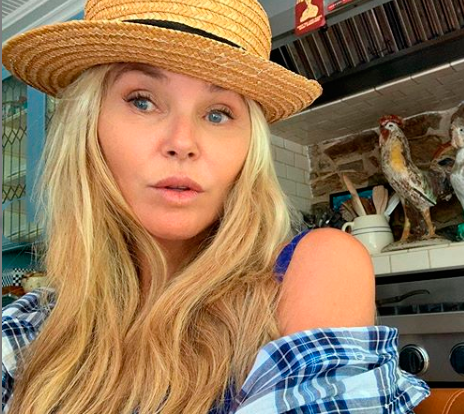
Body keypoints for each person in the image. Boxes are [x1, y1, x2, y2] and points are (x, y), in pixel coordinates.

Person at [2, 0, 430, 413]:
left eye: (218, 114)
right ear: (88, 125)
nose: (183, 142)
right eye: (142, 100)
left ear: (249, 148)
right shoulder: (31, 327)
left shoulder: (314, 271)